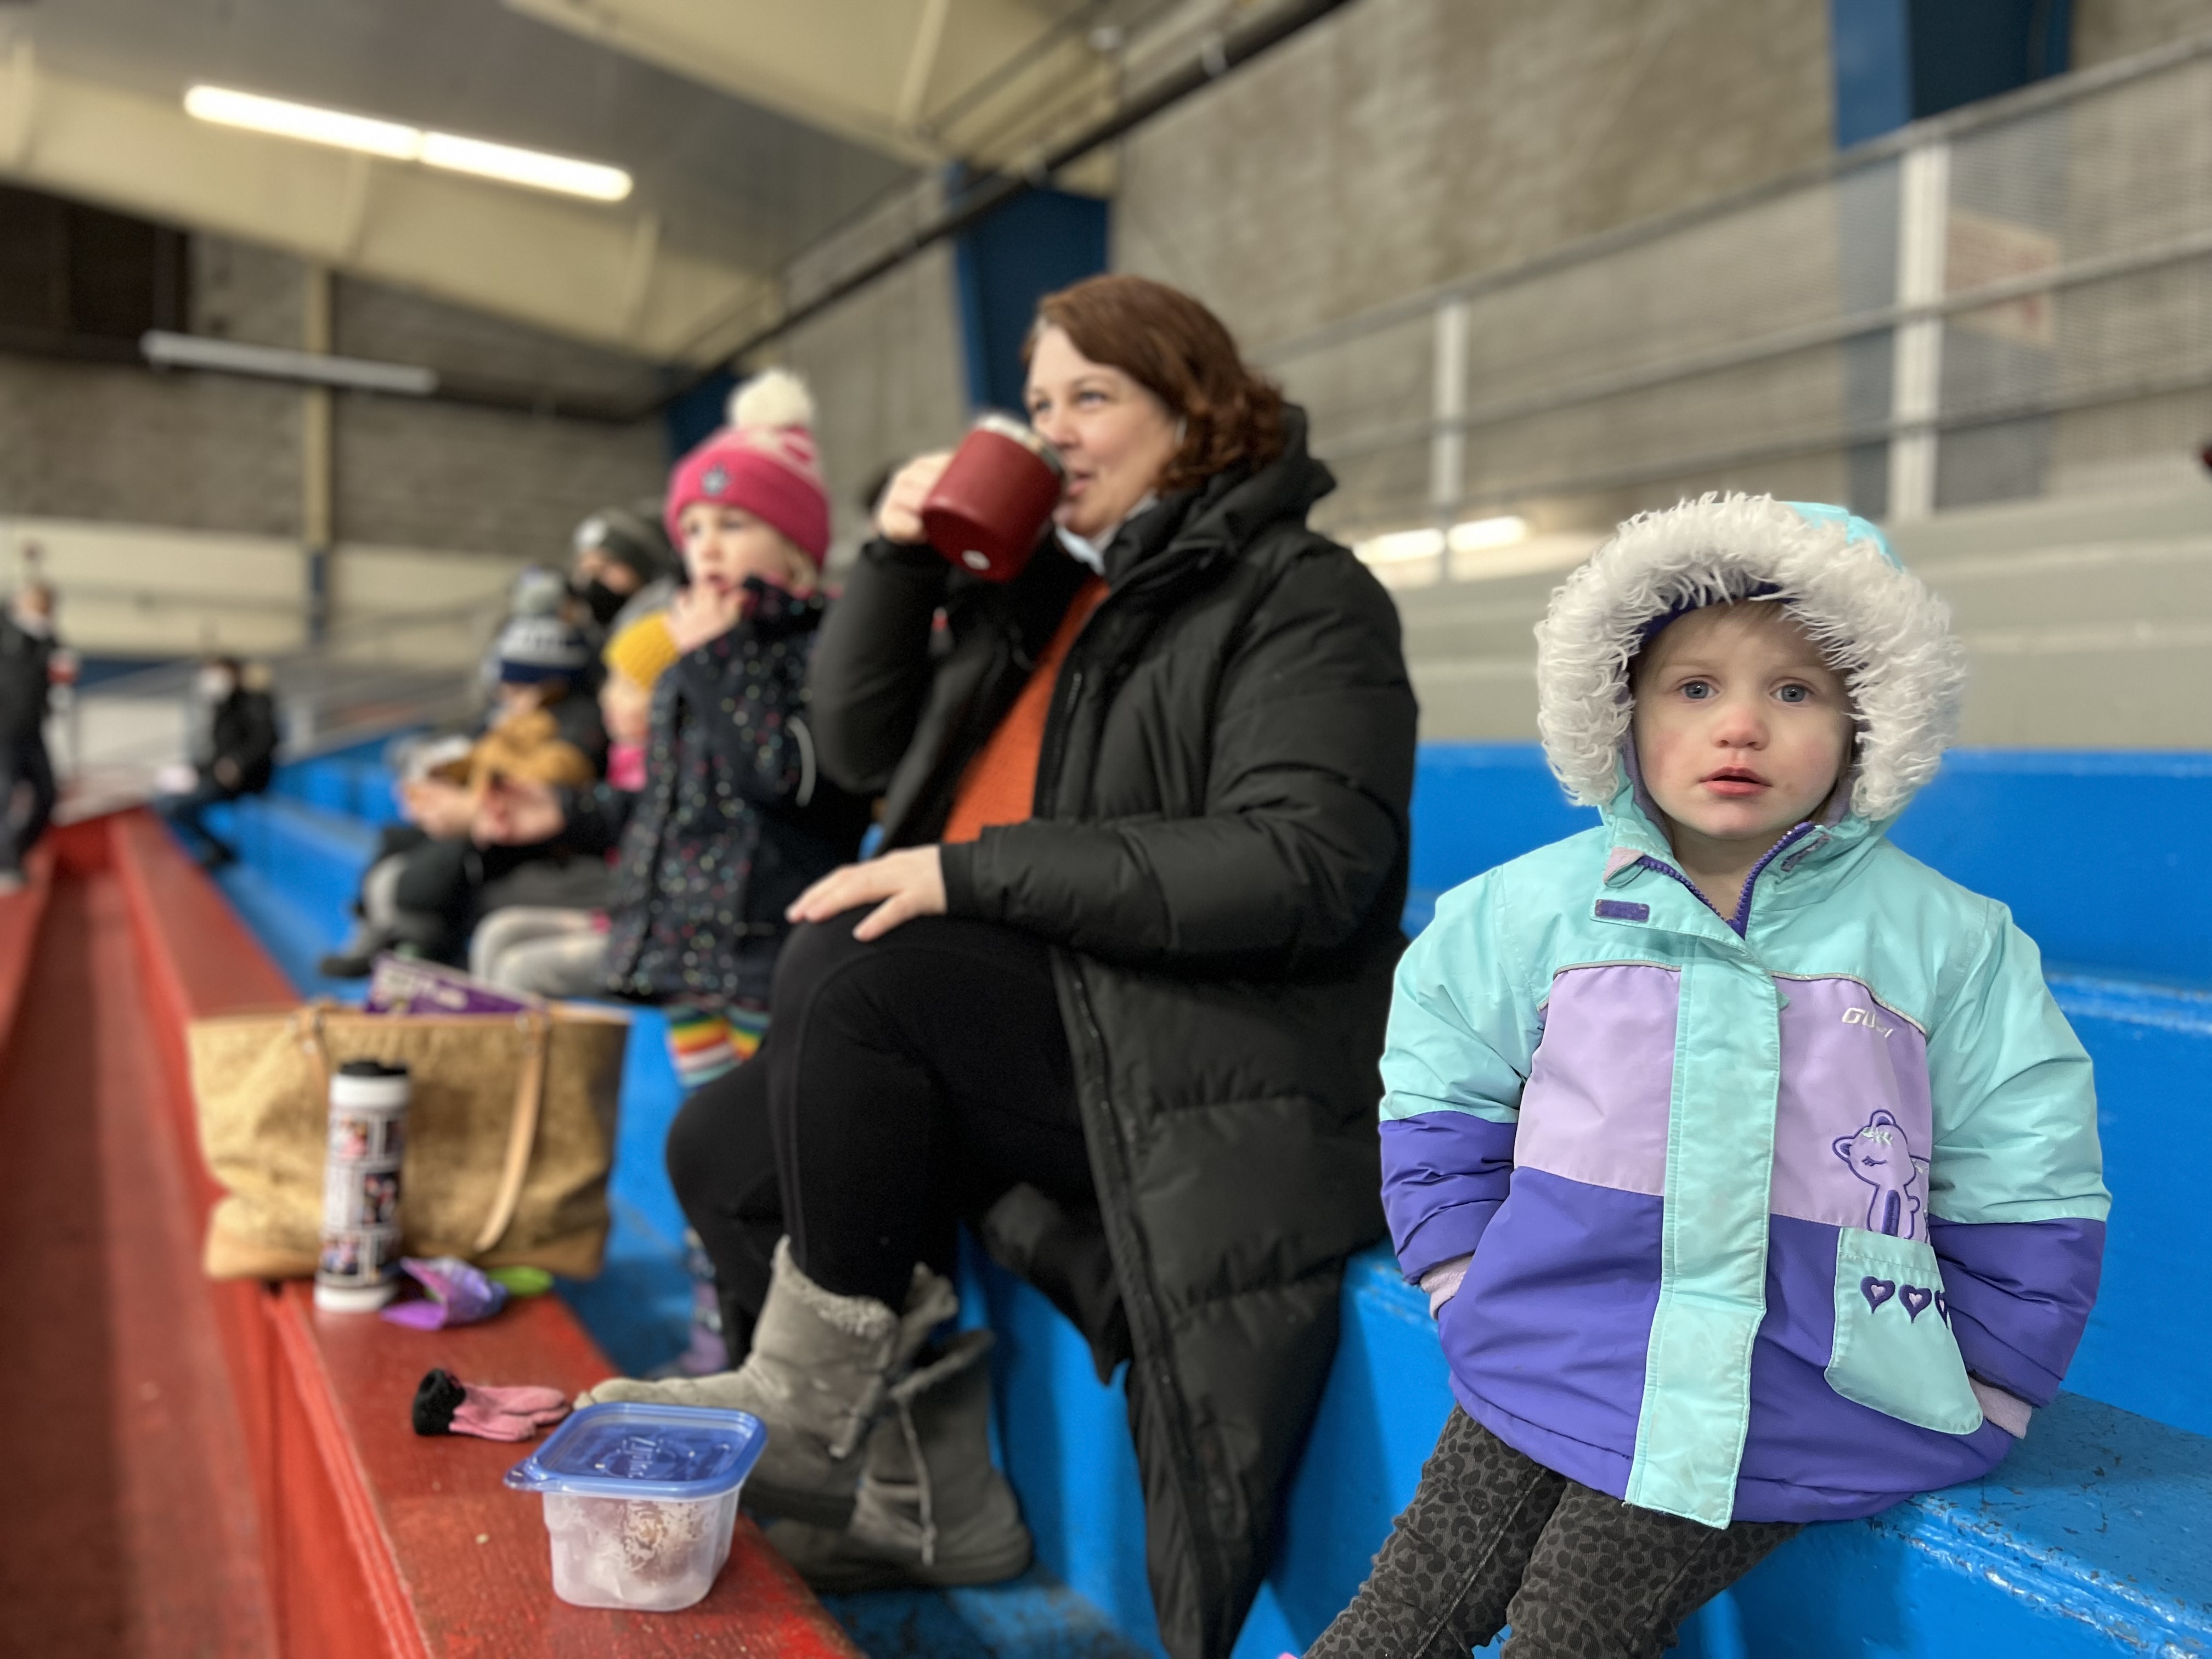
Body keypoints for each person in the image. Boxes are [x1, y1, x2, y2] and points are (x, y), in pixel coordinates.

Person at [586, 275, 1418, 1651]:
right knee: (719, 1149)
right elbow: (855, 749)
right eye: (1039, 405)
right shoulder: (1061, 603)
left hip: (1226, 1043)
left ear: (1198, 409)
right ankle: (926, 1498)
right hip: (1071, 1003)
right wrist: (903, 557)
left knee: (857, 976)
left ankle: (801, 1409)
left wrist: (968, 874)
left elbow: (1306, 867)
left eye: (1094, 396)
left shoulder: (1305, 595)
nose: (1057, 432)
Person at [1308, 495, 2108, 1657]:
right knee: (1407, 1605)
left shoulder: (1951, 943)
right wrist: (1464, 1270)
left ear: (1867, 721)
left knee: (1574, 1620)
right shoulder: (1528, 913)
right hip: (1561, 1331)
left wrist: (1992, 1378)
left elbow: (2030, 1170)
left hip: (1808, 1381)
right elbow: (1445, 1093)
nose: (1742, 727)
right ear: (1619, 711)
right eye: (1695, 689)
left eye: (1794, 692)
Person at [318, 613, 608, 976]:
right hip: (487, 816)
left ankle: (418, 948)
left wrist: (488, 768)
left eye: (516, 687)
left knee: (427, 875)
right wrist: (441, 774)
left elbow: (553, 771)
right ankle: (375, 931)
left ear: (547, 685)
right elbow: (475, 752)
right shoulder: (512, 716)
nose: (505, 694)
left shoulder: (575, 720)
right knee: (395, 839)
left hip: (522, 832)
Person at [467, 609, 680, 998]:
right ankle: (490, 1057)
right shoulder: (628, 758)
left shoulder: (682, 769)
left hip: (664, 936)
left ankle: (522, 1058)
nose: (607, 695)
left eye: (629, 686)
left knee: (522, 969)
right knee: (498, 931)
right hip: (624, 917)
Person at [161, 655, 279, 869]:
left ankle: (221, 850)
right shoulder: (221, 707)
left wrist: (238, 763)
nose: (211, 679)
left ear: (234, 674)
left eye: (217, 673)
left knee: (177, 806)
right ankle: (216, 849)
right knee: (165, 800)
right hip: (220, 775)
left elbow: (266, 740)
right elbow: (218, 753)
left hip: (248, 779)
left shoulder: (255, 701)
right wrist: (192, 769)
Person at [0, 582, 59, 893]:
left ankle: (13, 853)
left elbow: (57, 674)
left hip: (32, 729)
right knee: (4, 793)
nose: (43, 611)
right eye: (37, 603)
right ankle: (5, 863)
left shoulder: (47, 638)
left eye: (47, 605)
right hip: (2, 729)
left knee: (48, 794)